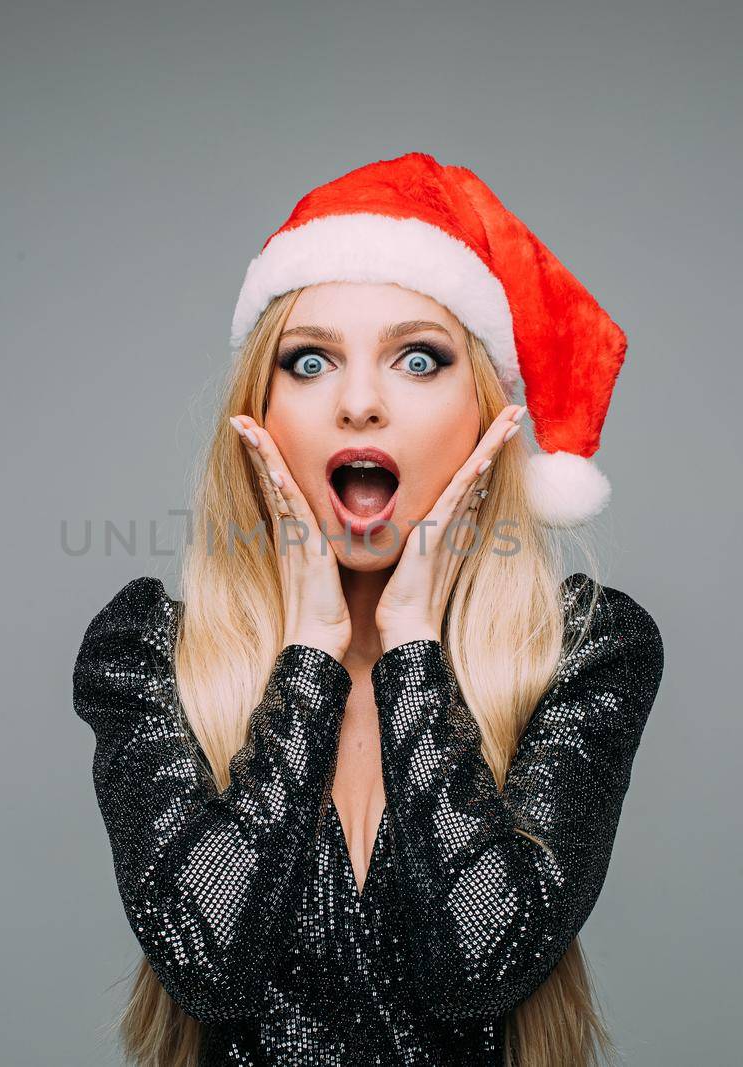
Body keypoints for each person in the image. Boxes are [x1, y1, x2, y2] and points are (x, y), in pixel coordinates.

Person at [72, 152, 666, 1066]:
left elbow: (480, 964)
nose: (358, 403)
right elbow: (206, 966)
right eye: (309, 360)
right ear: (260, 411)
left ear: (485, 414)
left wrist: (413, 646)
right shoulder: (146, 653)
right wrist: (310, 650)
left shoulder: (586, 649)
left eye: (418, 359)